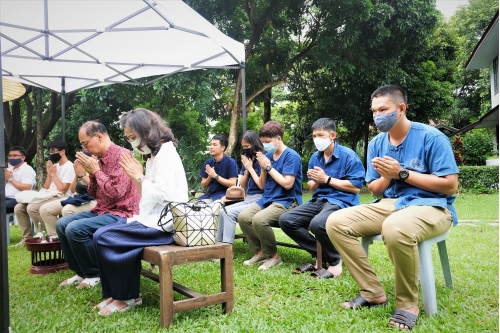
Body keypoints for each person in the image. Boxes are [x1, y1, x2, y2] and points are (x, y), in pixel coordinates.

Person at [326, 85, 459, 331]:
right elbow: (375, 189)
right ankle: (373, 291)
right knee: (335, 222)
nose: (377, 116)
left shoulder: (431, 137)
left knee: (395, 227)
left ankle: (407, 305)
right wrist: (388, 176)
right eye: (374, 110)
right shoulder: (377, 143)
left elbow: (450, 186)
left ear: (401, 108)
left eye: (383, 109)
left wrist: (403, 173)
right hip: (391, 203)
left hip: (432, 205)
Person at [92, 108, 188, 315]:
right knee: (105, 233)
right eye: (128, 139)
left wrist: (139, 176)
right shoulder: (153, 156)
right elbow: (146, 195)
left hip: (168, 223)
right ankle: (117, 293)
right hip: (152, 218)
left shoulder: (167, 153)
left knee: (104, 236)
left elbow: (164, 194)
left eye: (133, 137)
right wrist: (136, 176)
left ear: (147, 131)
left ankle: (129, 296)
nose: (132, 143)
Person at [56, 121, 140, 289]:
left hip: (122, 213)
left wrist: (95, 171)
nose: (85, 148)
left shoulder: (122, 156)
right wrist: (85, 174)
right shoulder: (100, 160)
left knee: (75, 229)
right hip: (103, 210)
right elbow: (95, 193)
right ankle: (81, 272)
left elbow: (117, 193)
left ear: (99, 136)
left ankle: (95, 273)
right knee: (61, 224)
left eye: (85, 143)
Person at [279, 118, 365, 278]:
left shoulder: (348, 156)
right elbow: (311, 186)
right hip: (318, 200)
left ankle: (335, 260)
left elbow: (356, 187)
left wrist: (327, 179)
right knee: (286, 220)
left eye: (320, 135)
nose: (317, 139)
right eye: (314, 136)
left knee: (318, 223)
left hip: (341, 201)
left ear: (332, 135)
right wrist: (317, 180)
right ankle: (321, 254)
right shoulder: (315, 158)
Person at [238, 121, 303, 270]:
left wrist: (268, 166)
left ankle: (274, 257)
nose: (265, 144)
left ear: (278, 139)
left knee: (259, 219)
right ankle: (260, 252)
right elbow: (261, 184)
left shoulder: (291, 156)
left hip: (287, 200)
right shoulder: (267, 156)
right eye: (263, 142)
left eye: (268, 142)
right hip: (268, 198)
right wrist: (263, 168)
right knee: (243, 217)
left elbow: (287, 184)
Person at [14, 141, 75, 245]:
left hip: (61, 197)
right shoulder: (55, 166)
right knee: (19, 208)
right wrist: (49, 174)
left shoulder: (70, 167)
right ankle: (27, 238)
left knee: (32, 208)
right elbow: (46, 187)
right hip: (49, 194)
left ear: (63, 152)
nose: (51, 154)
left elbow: (63, 190)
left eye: (53, 151)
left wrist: (53, 174)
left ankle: (43, 235)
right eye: (50, 151)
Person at [216, 130, 265, 244]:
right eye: (243, 147)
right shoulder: (247, 159)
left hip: (261, 197)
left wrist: (251, 168)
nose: (245, 149)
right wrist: (247, 169)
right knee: (223, 211)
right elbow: (242, 185)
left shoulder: (263, 158)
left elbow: (261, 186)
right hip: (249, 197)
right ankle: (218, 245)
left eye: (247, 146)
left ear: (254, 143)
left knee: (228, 213)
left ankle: (227, 247)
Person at [198, 134, 238, 202]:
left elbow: (233, 184)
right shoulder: (208, 163)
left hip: (224, 196)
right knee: (196, 206)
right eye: (211, 144)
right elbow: (203, 185)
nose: (211, 147)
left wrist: (215, 176)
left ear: (222, 148)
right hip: (210, 195)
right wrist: (210, 177)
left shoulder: (231, 163)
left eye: (215, 145)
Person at [4, 146, 36, 214]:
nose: (11, 157)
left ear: (23, 158)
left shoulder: (28, 170)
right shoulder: (10, 169)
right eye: (10, 155)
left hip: (16, 199)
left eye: (15, 155)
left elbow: (27, 188)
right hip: (4, 197)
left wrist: (11, 179)